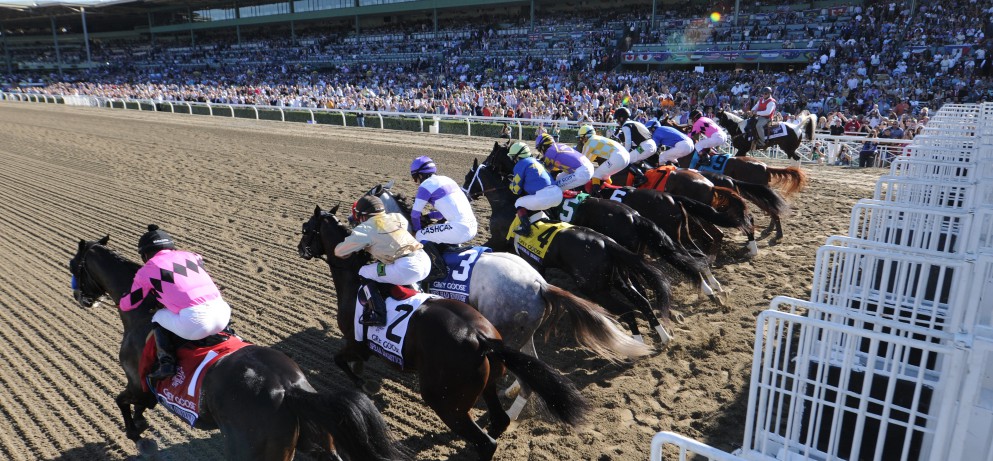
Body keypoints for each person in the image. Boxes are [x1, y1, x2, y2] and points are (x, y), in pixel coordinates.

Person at [121, 224, 232, 381]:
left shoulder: (147, 269)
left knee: (158, 316)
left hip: (196, 323)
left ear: (145, 255)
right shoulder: (193, 256)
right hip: (223, 314)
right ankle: (228, 334)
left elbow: (130, 303)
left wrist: (121, 301)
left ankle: (167, 364)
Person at [334, 196, 431, 326]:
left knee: (364, 271)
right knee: (387, 267)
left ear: (363, 215)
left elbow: (339, 251)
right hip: (425, 260)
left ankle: (378, 314)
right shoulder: (397, 217)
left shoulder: (365, 229)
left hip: (406, 268)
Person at [409, 156, 478, 281]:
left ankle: (437, 269)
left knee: (420, 235)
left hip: (459, 229)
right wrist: (429, 217)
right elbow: (442, 214)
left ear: (419, 175)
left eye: (415, 178)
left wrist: (417, 230)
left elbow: (414, 215)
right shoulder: (447, 179)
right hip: (472, 227)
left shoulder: (425, 185)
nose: (416, 182)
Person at [507, 142, 562, 237]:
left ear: (517, 156)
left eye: (513, 157)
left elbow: (516, 190)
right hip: (558, 194)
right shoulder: (536, 161)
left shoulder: (520, 164)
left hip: (545, 197)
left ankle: (526, 229)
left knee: (519, 202)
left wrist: (510, 184)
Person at [577, 125, 631, 194]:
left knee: (596, 175)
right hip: (626, 156)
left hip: (618, 156)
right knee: (605, 176)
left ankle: (596, 195)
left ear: (586, 136)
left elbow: (583, 162)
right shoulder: (598, 139)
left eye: (581, 138)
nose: (581, 141)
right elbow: (589, 161)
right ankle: (608, 193)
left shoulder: (589, 143)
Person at [612, 107, 657, 186]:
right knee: (635, 157)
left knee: (626, 160)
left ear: (621, 118)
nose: (617, 122)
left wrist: (624, 154)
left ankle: (640, 177)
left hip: (645, 146)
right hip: (651, 144)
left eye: (617, 120)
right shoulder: (635, 123)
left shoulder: (626, 125)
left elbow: (628, 143)